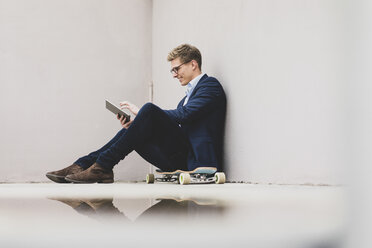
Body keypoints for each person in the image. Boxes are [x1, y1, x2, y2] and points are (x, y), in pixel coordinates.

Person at [46, 44, 226, 184]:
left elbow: (184, 115)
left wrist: (143, 115)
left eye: (176, 69)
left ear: (193, 64)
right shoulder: (185, 98)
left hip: (195, 160)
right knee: (131, 130)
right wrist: (139, 125)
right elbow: (179, 123)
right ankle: (83, 165)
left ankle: (102, 167)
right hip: (178, 158)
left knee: (148, 110)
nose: (174, 74)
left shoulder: (210, 86)